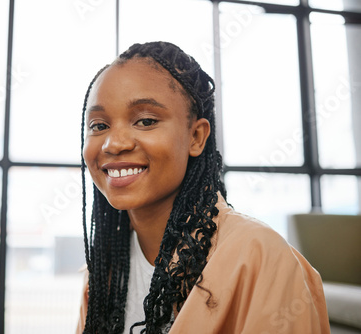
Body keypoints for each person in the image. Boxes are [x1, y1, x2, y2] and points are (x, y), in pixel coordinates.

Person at [76, 41, 330, 333]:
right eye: (98, 126)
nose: (114, 143)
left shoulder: (260, 257)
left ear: (196, 137)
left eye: (145, 121)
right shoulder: (102, 273)